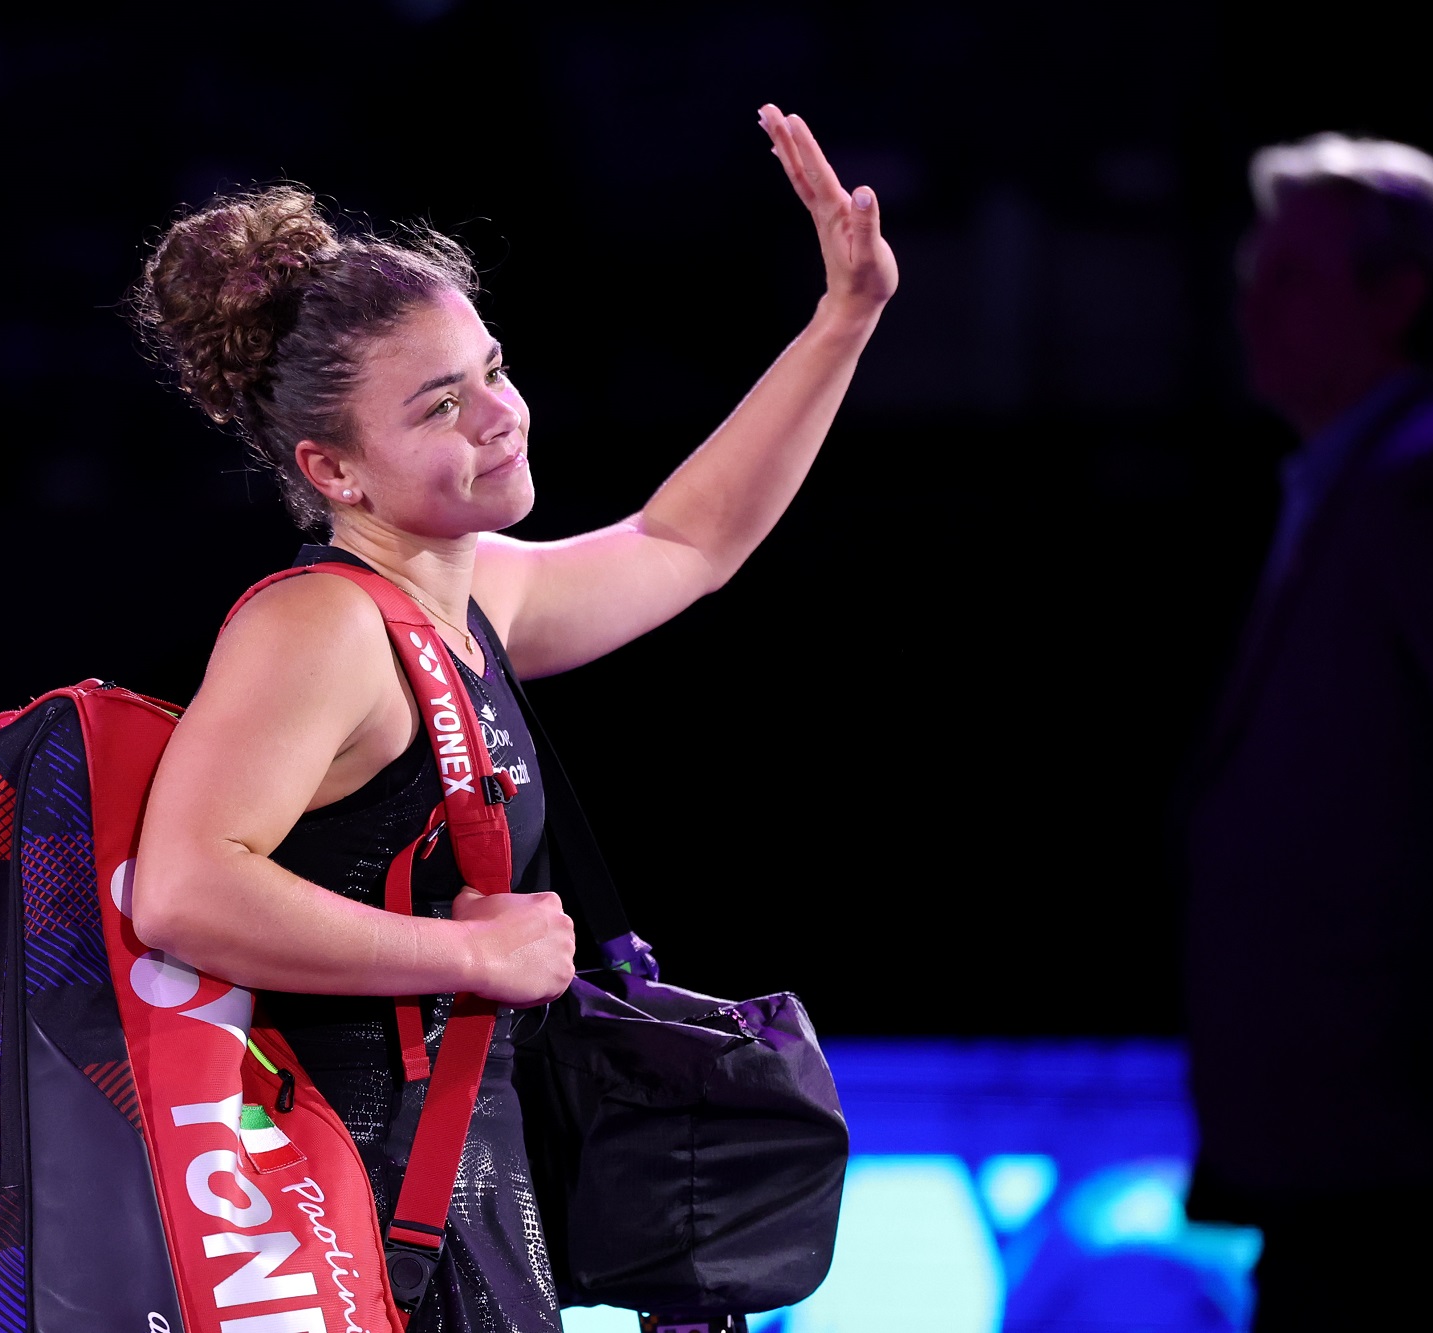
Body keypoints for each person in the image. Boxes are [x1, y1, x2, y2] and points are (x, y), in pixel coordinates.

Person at [129, 107, 895, 1333]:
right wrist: (469, 956)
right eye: (440, 407)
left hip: (444, 1206)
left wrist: (841, 318)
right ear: (333, 471)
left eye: (491, 370)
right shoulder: (318, 626)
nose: (499, 415)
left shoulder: (461, 594)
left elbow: (684, 541)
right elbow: (182, 890)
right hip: (337, 1224)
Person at [1184, 133, 1433, 1329]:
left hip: (1399, 1157)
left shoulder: (1423, 485)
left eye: (1289, 278)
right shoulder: (1348, 482)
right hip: (1335, 1158)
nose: (1251, 306)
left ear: (1394, 297)